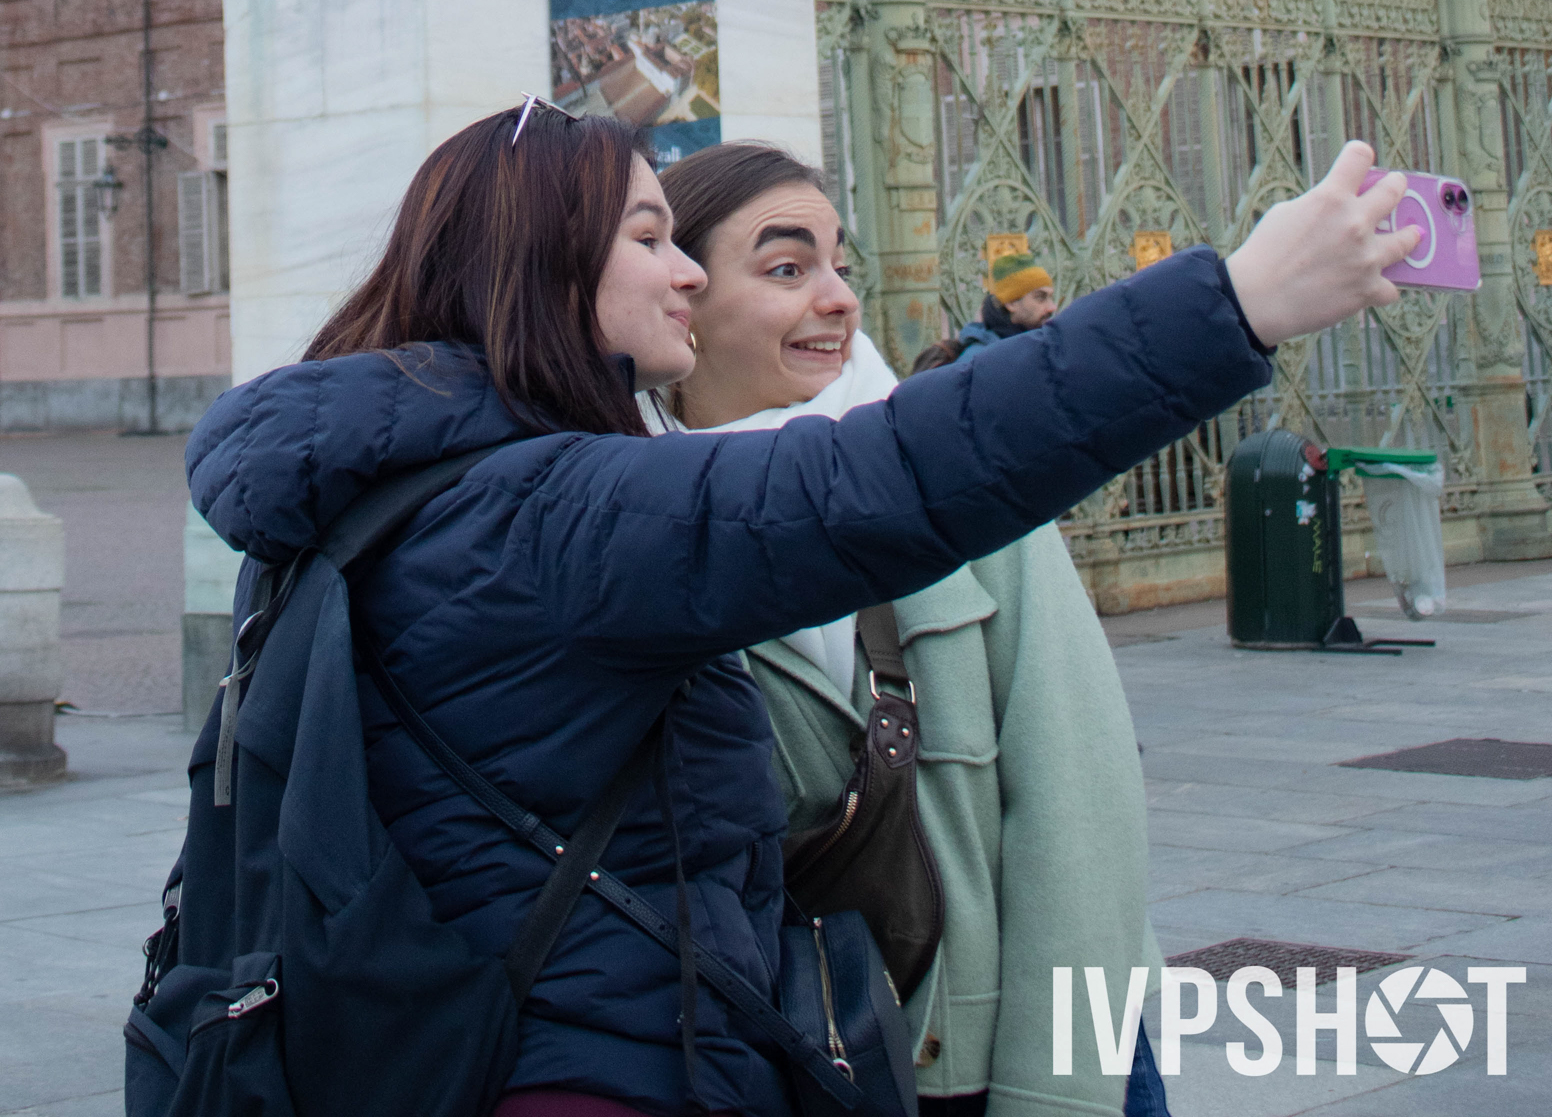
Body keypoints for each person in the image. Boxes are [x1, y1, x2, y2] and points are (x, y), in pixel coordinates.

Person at [185, 107, 1406, 1117]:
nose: (678, 270)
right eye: (649, 239)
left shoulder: (382, 490)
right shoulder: (545, 509)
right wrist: (1234, 302)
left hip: (485, 1034)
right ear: (544, 265)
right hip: (590, 1062)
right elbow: (880, 483)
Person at [656, 142, 1170, 1117]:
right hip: (798, 1060)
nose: (838, 299)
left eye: (839, 264)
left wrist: (1056, 1094)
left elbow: (1080, 817)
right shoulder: (630, 529)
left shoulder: (955, 473)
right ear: (682, 295)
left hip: (1009, 1059)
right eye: (786, 268)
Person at [957, 250, 1057, 349]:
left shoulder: (1044, 346)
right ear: (1011, 303)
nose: (1052, 307)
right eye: (1040, 298)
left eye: (1051, 297)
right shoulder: (983, 354)